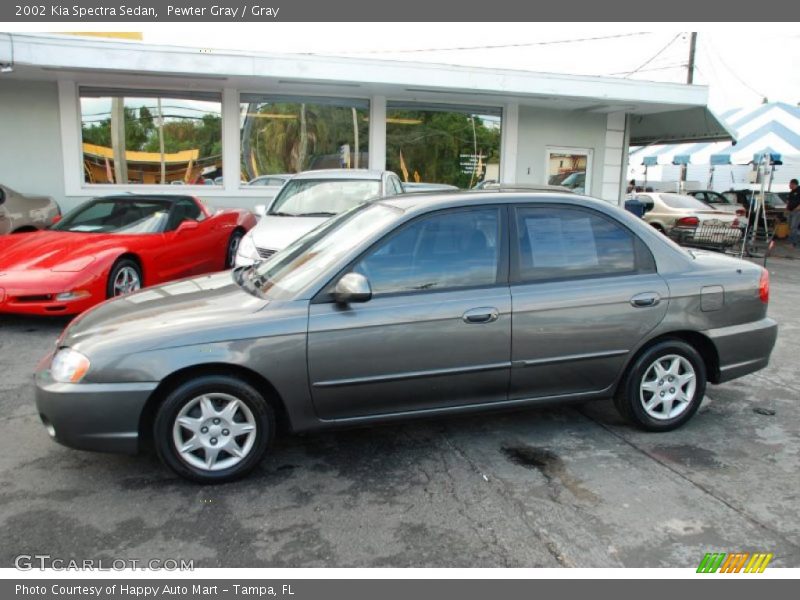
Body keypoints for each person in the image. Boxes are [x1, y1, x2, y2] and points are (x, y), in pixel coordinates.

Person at [788, 178, 800, 247]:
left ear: (793, 184)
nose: (789, 185)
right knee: (790, 226)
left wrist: (797, 208)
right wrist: (787, 209)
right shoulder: (791, 192)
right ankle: (790, 241)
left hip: (797, 211)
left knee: (794, 227)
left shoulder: (799, 190)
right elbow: (788, 201)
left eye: (790, 184)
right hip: (791, 211)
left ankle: (793, 243)